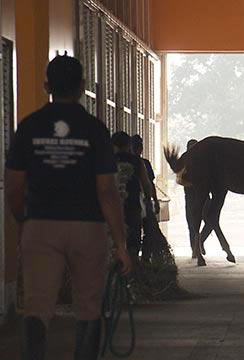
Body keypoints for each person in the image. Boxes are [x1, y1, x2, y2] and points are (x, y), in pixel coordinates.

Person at [6, 54, 131, 360]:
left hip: (41, 225)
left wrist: (24, 220)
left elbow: (14, 185)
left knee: (37, 306)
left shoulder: (29, 127)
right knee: (89, 306)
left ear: (46, 85)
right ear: (82, 87)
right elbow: (106, 192)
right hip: (87, 228)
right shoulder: (95, 130)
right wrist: (122, 244)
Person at [112, 131, 157, 261]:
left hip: (112, 207)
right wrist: (149, 201)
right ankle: (133, 267)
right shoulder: (137, 161)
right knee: (133, 239)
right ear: (128, 145)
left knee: (113, 240)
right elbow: (146, 184)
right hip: (132, 206)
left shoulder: (107, 160)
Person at [183, 139, 200, 258]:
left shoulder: (203, 161)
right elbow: (180, 179)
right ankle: (194, 248)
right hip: (190, 197)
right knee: (192, 225)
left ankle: (199, 242)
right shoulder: (184, 162)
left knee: (210, 222)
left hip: (202, 196)